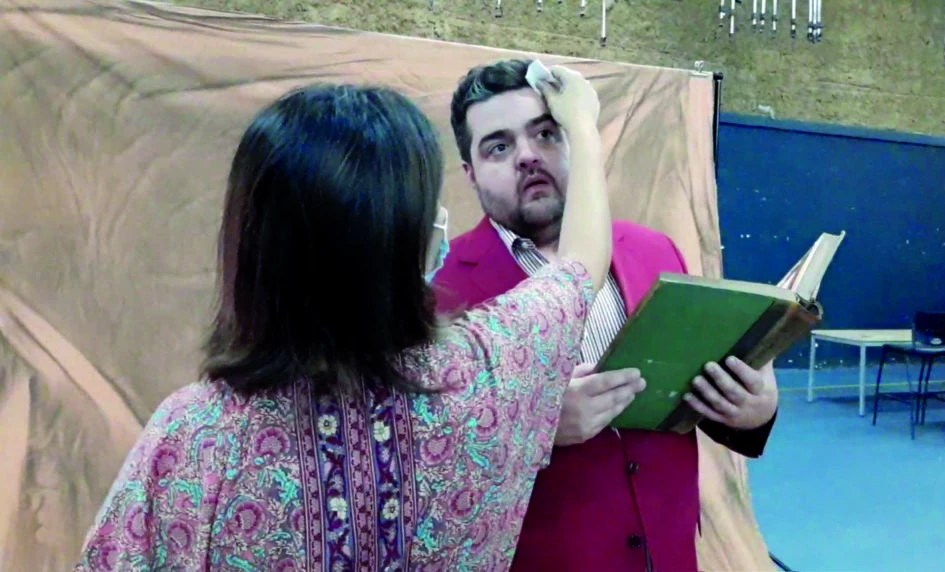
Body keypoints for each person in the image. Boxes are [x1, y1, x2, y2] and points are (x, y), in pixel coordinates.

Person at [76, 74, 622, 571]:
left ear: (252, 243)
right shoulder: (487, 376)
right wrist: (580, 122)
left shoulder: (195, 438)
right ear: (412, 240)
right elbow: (581, 265)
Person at [432, 58, 780, 572]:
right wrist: (533, 427)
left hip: (669, 556)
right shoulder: (439, 294)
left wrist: (753, 413)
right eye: (498, 147)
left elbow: (686, 395)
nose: (528, 156)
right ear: (470, 173)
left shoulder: (656, 251)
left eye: (546, 133)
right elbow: (430, 464)